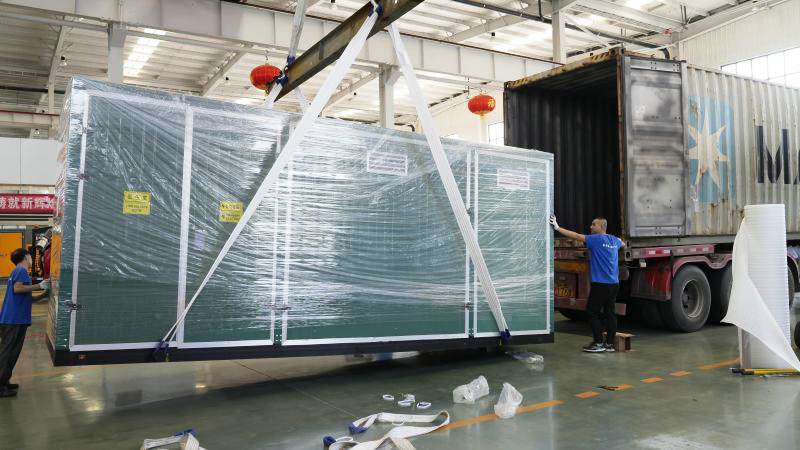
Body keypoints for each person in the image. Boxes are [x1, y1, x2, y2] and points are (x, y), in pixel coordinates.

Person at [549, 215, 625, 353]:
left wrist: (557, 227)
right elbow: (622, 243)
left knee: (592, 312)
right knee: (610, 313)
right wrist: (616, 244)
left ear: (601, 227)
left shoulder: (596, 239)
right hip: (614, 284)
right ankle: (609, 344)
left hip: (600, 284)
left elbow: (576, 236)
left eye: (593, 224)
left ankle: (598, 343)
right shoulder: (614, 240)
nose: (591, 227)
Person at [0, 248, 49, 397]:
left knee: (12, 352)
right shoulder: (21, 270)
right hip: (14, 320)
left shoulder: (16, 271)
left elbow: (27, 297)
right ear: (25, 257)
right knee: (7, 353)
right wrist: (39, 285)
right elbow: (18, 289)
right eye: (30, 256)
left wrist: (44, 294)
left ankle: (4, 381)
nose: (31, 259)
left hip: (14, 319)